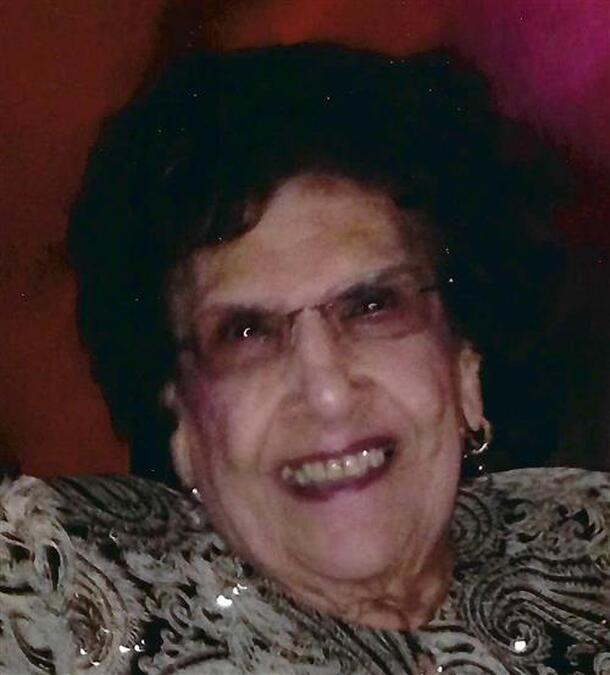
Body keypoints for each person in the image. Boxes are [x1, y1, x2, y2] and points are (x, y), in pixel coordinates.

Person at [0, 44, 608, 674]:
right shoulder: (68, 613)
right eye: (246, 334)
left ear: (464, 369)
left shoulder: (588, 561)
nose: (327, 391)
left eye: (371, 307)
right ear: (182, 425)